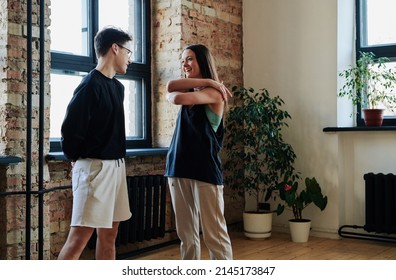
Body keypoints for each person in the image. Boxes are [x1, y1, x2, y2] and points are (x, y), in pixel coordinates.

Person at [57, 26, 133, 260]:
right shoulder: (90, 85)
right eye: (128, 52)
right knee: (79, 238)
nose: (130, 58)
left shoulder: (117, 87)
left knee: (110, 235)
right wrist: (80, 160)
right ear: (115, 48)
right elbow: (70, 132)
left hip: (116, 168)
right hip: (94, 169)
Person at [164, 44, 233, 260]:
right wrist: (207, 80)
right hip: (178, 167)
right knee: (187, 237)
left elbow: (176, 97)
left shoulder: (214, 93)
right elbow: (170, 87)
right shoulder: (204, 86)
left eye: (190, 59)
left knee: (215, 236)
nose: (185, 64)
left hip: (205, 171)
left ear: (202, 61)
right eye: (183, 59)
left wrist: (210, 84)